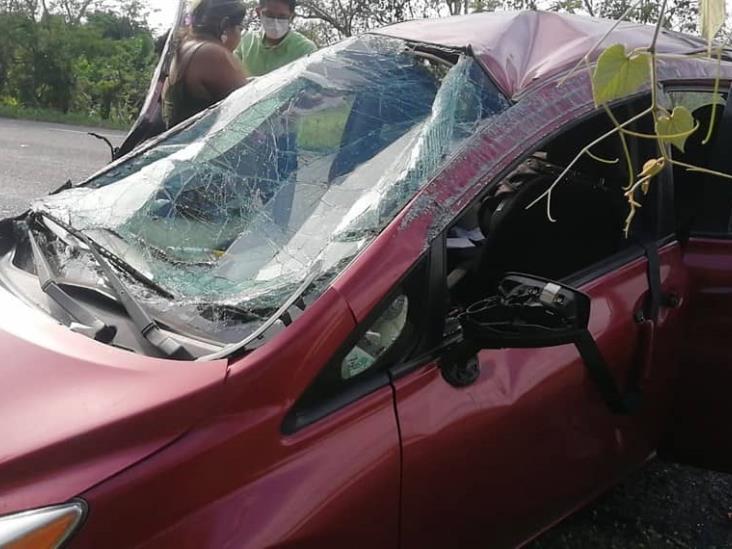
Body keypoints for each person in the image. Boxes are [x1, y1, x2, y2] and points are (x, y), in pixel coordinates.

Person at [162, 0, 249, 128]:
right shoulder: (212, 54)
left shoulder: (185, 46)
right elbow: (248, 107)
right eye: (239, 28)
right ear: (225, 25)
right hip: (200, 143)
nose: (240, 35)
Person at [234, 0, 317, 77]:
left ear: (292, 17)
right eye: (269, 15)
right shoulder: (245, 41)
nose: (275, 21)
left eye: (282, 16)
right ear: (258, 12)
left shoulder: (306, 50)